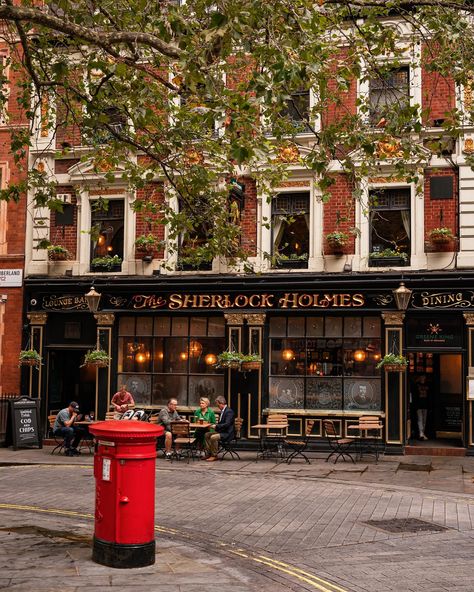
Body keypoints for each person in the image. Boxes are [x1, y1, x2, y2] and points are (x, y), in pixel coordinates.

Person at [203, 396, 235, 462]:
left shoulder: (229, 411)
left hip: (227, 434)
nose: (217, 406)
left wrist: (216, 426)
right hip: (222, 432)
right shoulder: (223, 411)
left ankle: (214, 455)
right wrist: (214, 426)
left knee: (213, 437)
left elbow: (227, 424)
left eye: (217, 404)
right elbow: (221, 424)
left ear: (221, 403)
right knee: (207, 434)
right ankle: (209, 453)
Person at [413, 374, 430, 440]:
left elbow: (430, 395)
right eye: (421, 377)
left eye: (424, 377)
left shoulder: (428, 385)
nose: (423, 378)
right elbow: (414, 394)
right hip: (418, 404)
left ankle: (423, 433)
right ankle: (421, 433)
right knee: (420, 419)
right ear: (419, 378)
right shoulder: (416, 385)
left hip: (425, 404)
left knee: (424, 420)